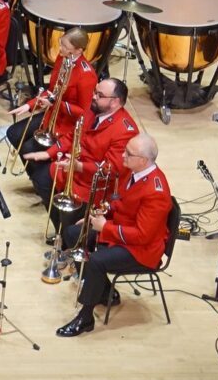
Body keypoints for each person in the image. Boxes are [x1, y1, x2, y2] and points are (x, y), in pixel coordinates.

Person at [55, 134, 171, 338]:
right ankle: (105, 292)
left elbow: (143, 236)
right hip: (122, 232)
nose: (122, 156)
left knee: (96, 261)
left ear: (143, 160)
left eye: (128, 153)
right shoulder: (133, 171)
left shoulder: (156, 192)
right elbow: (120, 201)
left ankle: (85, 317)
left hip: (141, 250)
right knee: (74, 234)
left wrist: (105, 227)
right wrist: (99, 215)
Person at [40, 78, 138, 221]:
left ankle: (68, 234)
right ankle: (58, 227)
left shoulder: (125, 130)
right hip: (76, 171)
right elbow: (73, 135)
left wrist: (79, 166)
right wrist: (49, 153)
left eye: (100, 95)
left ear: (115, 102)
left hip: (96, 186)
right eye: (95, 92)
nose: (93, 97)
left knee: (70, 224)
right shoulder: (93, 109)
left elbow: (111, 169)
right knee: (41, 178)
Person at [7, 29, 97, 173]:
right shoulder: (62, 58)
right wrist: (30, 105)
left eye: (65, 47)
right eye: (61, 44)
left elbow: (83, 112)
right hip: (52, 115)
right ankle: (36, 171)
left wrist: (56, 104)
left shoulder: (87, 75)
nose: (60, 49)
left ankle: (42, 176)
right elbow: (52, 90)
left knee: (28, 148)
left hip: (67, 124)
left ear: (78, 50)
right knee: (13, 133)